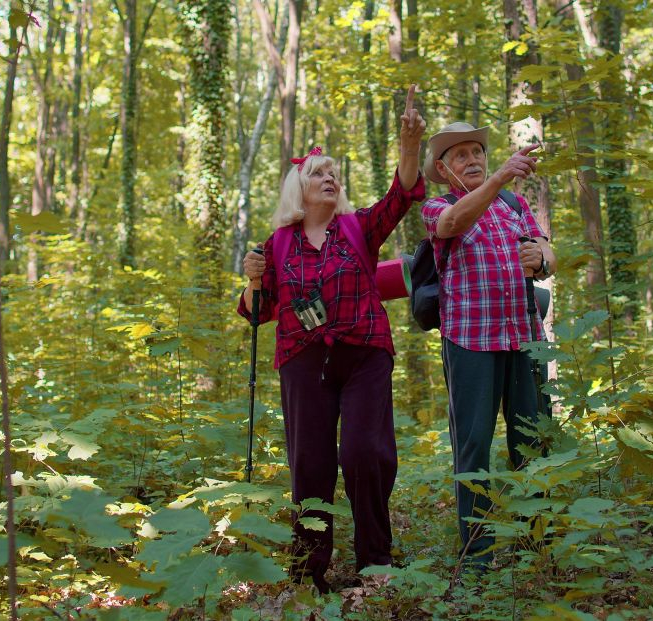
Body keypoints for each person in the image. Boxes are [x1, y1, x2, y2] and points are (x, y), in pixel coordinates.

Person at [238, 86, 426, 592]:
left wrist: (409, 149)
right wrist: (253, 277)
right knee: (311, 464)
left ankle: (375, 562)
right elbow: (257, 312)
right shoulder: (276, 244)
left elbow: (399, 200)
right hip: (302, 360)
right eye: (318, 173)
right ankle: (307, 572)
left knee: (365, 452)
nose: (330, 178)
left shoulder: (357, 228)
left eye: (333, 174)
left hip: (364, 353)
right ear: (297, 187)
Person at [419, 122, 556, 569]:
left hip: (524, 337)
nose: (473, 159)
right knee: (474, 448)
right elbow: (452, 225)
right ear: (443, 168)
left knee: (532, 444)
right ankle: (477, 558)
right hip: (470, 341)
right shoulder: (438, 205)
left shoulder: (514, 203)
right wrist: (500, 176)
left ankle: (539, 546)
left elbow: (547, 252)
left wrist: (541, 257)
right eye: (460, 155)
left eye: (477, 150)